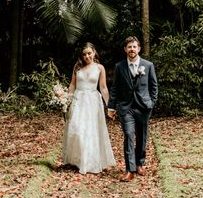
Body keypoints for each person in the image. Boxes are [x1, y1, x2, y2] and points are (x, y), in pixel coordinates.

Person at [107, 36, 158, 182]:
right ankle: (130, 170)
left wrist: (151, 103)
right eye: (129, 47)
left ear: (139, 48)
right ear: (125, 49)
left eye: (134, 47)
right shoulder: (119, 66)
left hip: (143, 107)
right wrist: (111, 106)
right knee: (129, 135)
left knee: (142, 136)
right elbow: (115, 87)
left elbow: (154, 86)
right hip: (126, 108)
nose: (132, 49)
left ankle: (139, 163)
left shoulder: (148, 65)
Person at [61, 42, 116, 174]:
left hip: (92, 101)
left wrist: (110, 106)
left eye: (89, 53)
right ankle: (77, 160)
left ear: (94, 52)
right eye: (84, 54)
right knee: (77, 129)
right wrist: (66, 101)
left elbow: (103, 88)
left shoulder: (99, 68)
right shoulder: (77, 67)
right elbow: (72, 85)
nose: (87, 56)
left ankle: (90, 161)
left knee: (91, 130)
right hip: (78, 100)